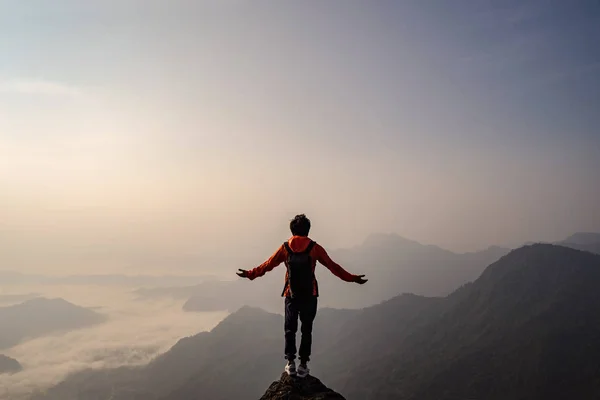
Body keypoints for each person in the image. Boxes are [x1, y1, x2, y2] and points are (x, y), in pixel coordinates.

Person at [236, 214, 367, 378]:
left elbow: (268, 265)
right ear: (308, 230)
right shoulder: (315, 248)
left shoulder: (285, 247)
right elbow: (334, 267)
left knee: (290, 329)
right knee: (306, 330)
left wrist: (250, 274)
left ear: (292, 230)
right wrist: (353, 278)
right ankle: (303, 365)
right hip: (310, 294)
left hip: (291, 294)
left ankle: (290, 363)